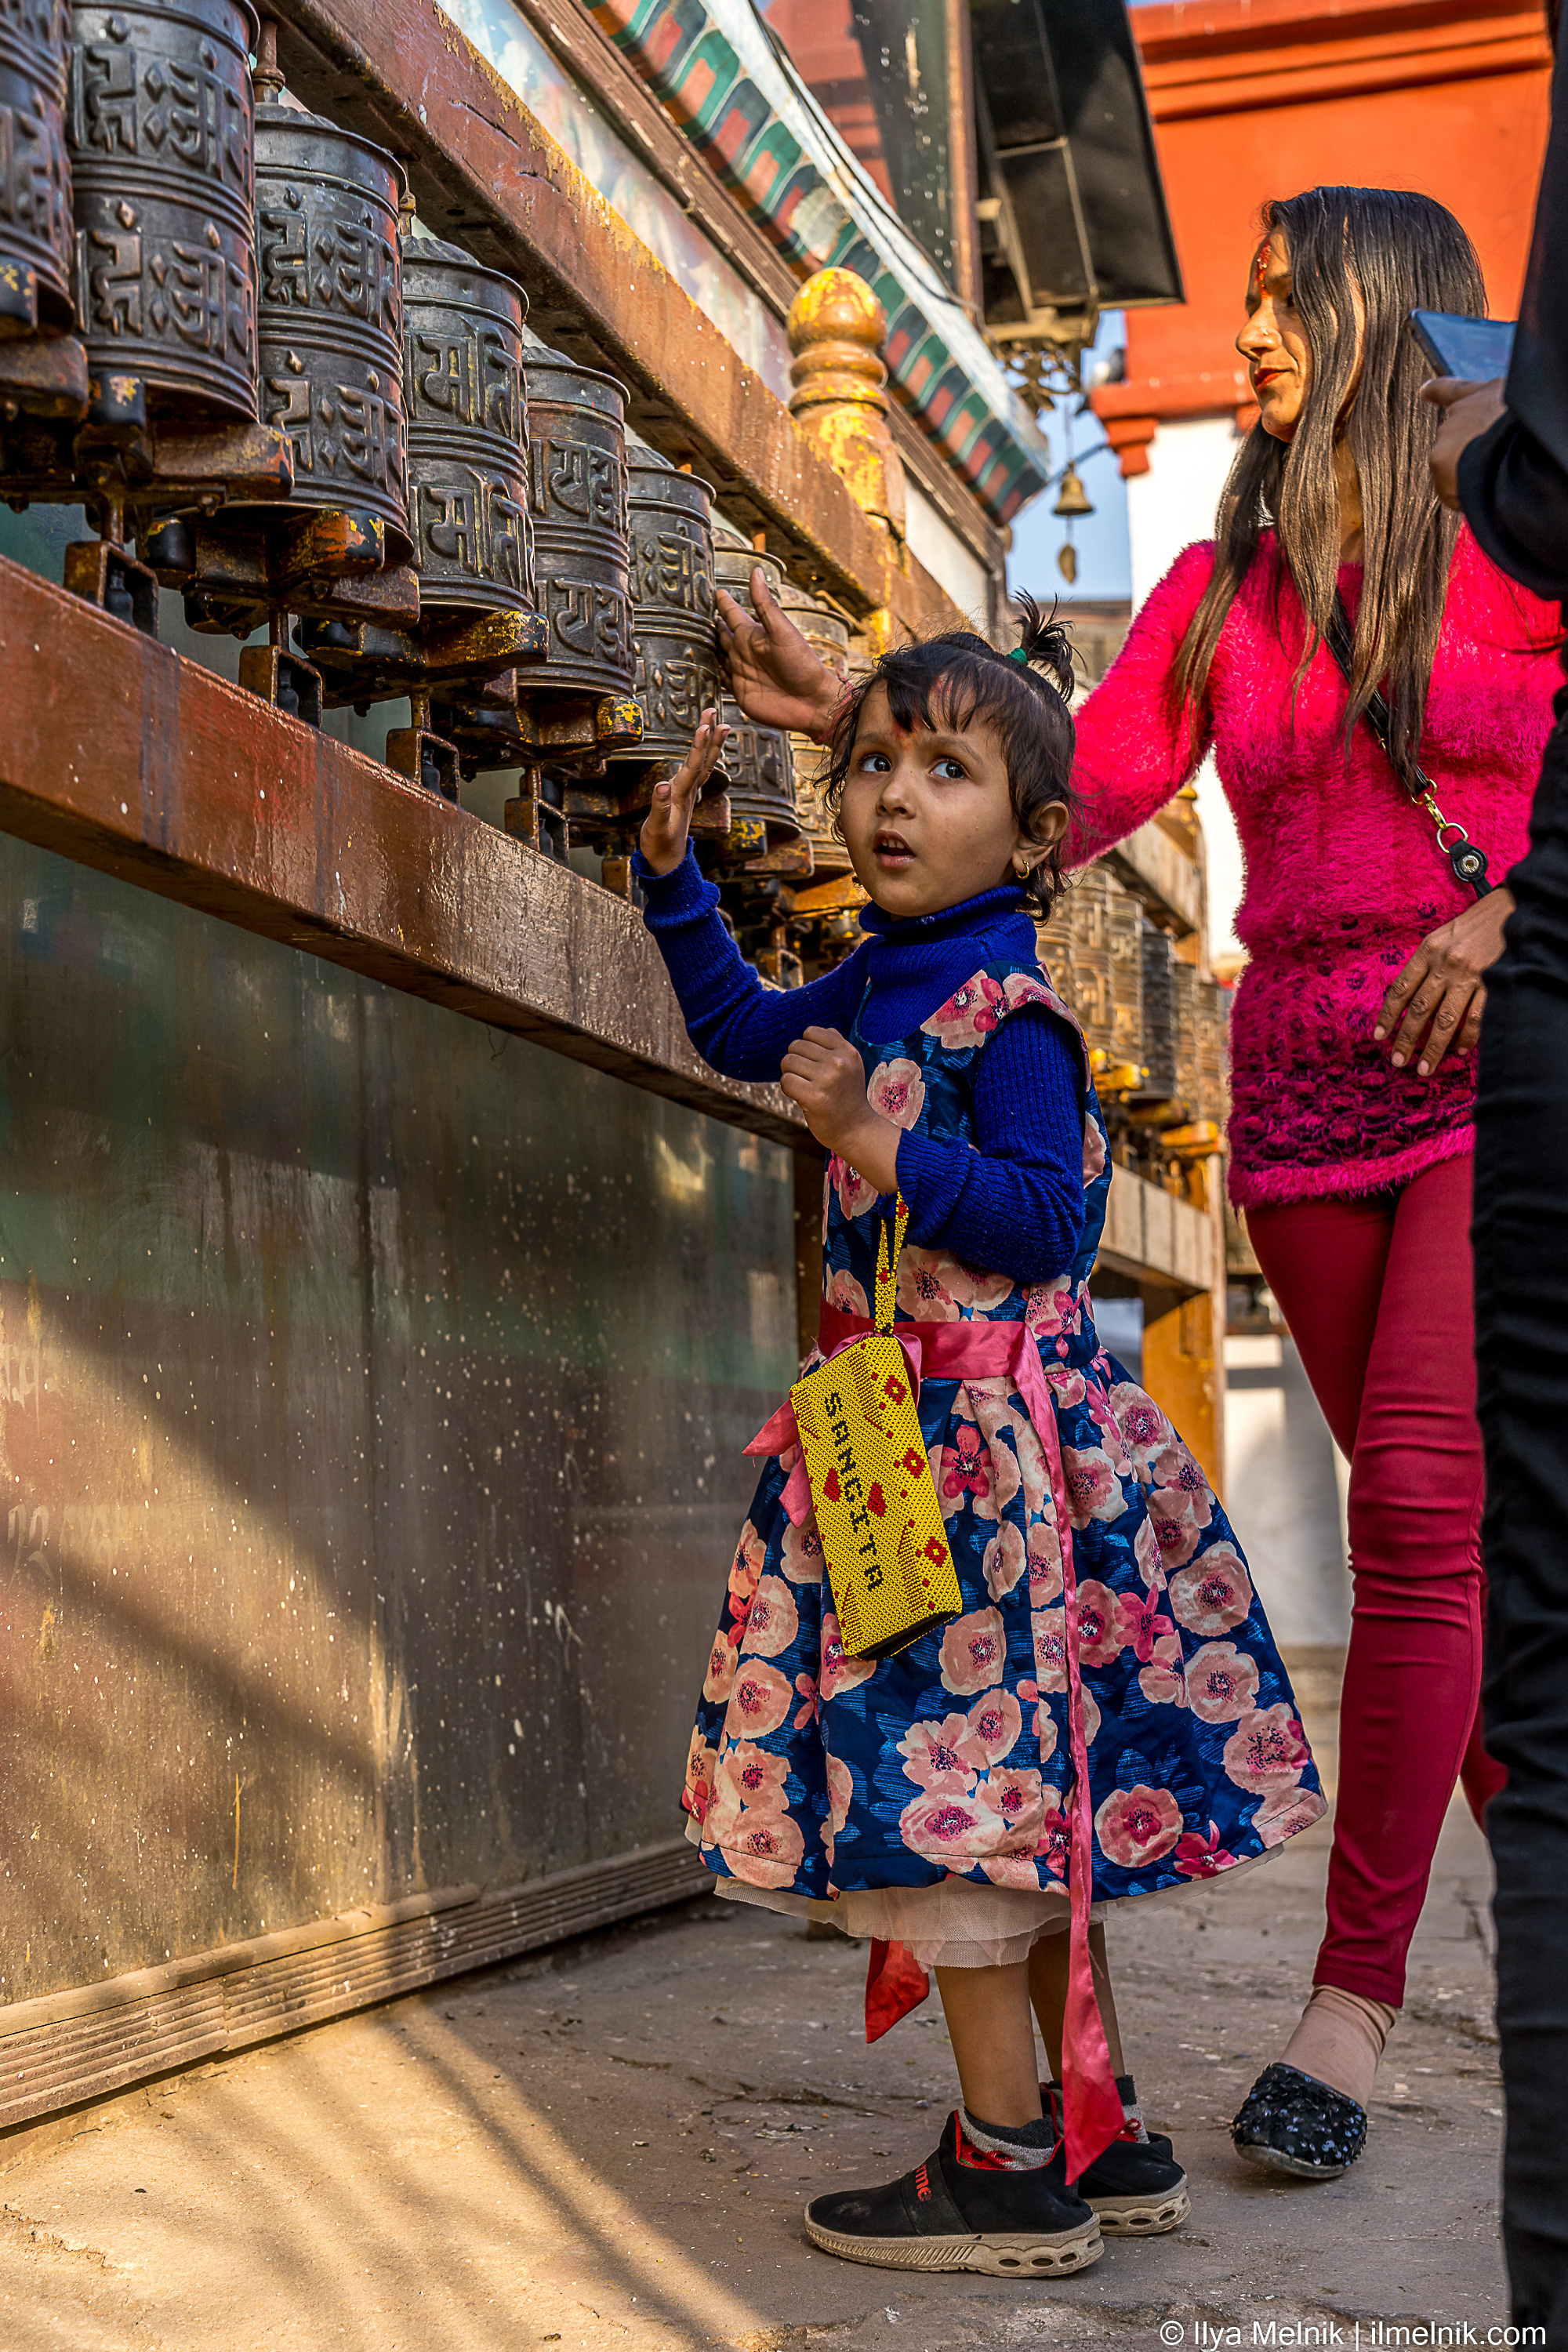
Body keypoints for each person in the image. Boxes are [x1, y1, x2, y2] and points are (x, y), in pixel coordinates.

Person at [631, 608, 1327, 2278]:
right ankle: (1097, 2127)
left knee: (954, 1805)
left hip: (975, 1475)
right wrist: (675, 887)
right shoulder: (883, 969)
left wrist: (874, 1144)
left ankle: (1007, 2162)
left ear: (1027, 835)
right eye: (871, 759)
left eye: (943, 767)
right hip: (900, 1451)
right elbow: (752, 1038)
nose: (888, 795)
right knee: (1004, 1800)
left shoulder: (1010, 1014)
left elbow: (1040, 1216)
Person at [1034, 185, 1560, 2182]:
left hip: (1499, 1080)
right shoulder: (1225, 586)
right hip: (1303, 1121)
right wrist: (886, 736)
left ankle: (1348, 2004)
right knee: (1477, 1585)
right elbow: (1088, 780)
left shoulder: (1527, 549)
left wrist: (1512, 916)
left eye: (1275, 297)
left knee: (1418, 1514)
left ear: (1382, 312)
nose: (1244, 330)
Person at [1425, 20, 1568, 2334]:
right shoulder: (1250, 565)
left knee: (1515, 1620)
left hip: (1529, 1000)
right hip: (1342, 1097)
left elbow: (1555, 486)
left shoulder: (1478, 526)